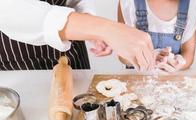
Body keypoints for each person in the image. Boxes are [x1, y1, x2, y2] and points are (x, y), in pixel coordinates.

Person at [0, 0, 155, 71]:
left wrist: (87, 18)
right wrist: (105, 29)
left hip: (72, 55)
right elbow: (8, 9)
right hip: (19, 61)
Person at [118, 0, 196, 73]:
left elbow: (189, 54)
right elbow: (123, 56)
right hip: (136, 80)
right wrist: (147, 59)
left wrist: (180, 62)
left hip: (174, 83)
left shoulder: (193, 6)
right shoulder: (128, 3)